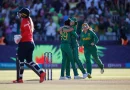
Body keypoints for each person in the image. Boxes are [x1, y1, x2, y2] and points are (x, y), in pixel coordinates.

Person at [13, 8, 46, 83]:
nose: (20, 14)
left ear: (24, 14)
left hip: (25, 43)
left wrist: (20, 37)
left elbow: (27, 32)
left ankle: (20, 79)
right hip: (31, 43)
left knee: (21, 61)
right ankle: (41, 72)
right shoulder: (29, 20)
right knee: (29, 61)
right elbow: (28, 32)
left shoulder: (24, 21)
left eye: (21, 13)